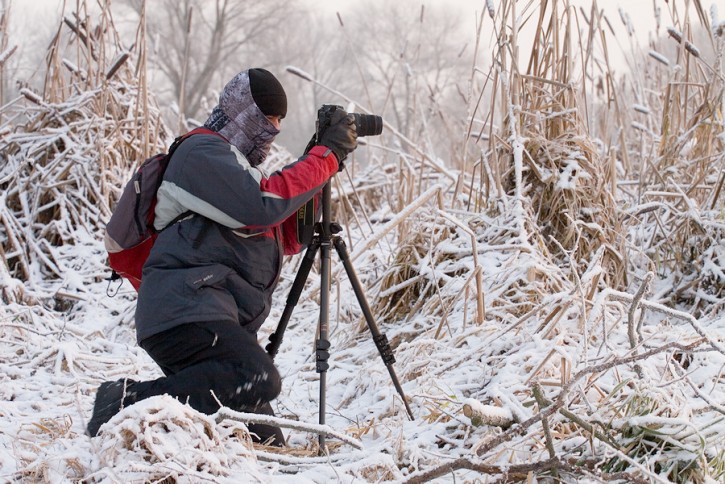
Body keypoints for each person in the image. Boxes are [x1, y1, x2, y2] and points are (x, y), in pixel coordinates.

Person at [87, 68, 358, 445]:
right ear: (242, 111)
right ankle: (122, 403)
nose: (273, 129)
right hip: (185, 310)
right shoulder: (200, 153)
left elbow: (284, 235)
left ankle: (164, 432)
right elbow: (260, 207)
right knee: (258, 376)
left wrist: (317, 169)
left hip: (211, 312)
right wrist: (323, 158)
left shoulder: (238, 168)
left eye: (279, 121)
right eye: (267, 119)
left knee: (264, 444)